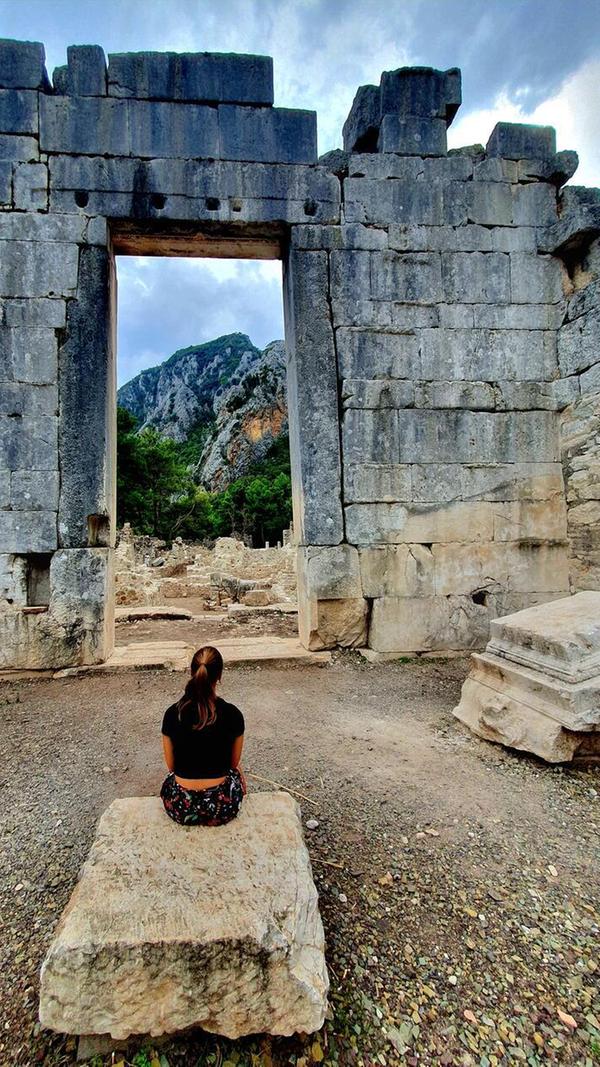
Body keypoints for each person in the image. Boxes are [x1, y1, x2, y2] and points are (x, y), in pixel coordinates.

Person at [160, 645, 246, 827]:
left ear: (192, 672)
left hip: (180, 806)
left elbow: (171, 766)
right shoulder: (233, 714)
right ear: (219, 676)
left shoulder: (171, 714)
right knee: (238, 773)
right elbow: (233, 763)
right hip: (222, 806)